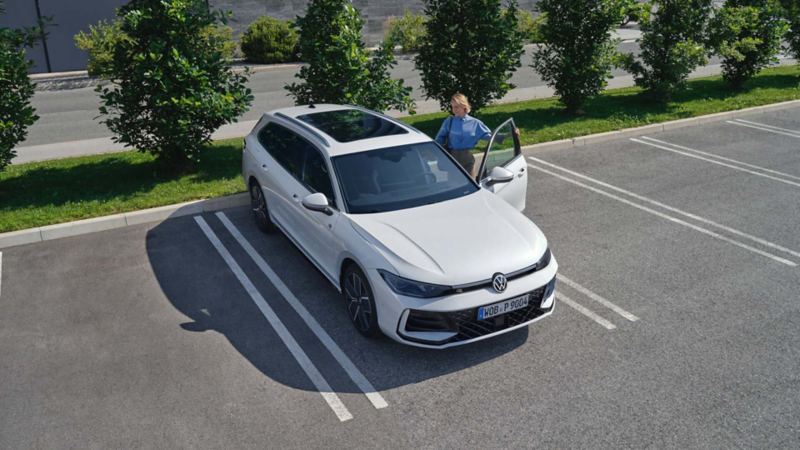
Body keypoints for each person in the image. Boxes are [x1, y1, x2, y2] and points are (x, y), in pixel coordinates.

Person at [434, 93, 519, 178]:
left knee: (470, 189)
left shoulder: (475, 123)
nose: (454, 110)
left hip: (467, 161)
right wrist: (435, 153)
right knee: (453, 186)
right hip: (452, 161)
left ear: (464, 106)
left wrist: (510, 134)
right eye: (453, 107)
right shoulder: (449, 121)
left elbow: (491, 137)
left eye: (456, 107)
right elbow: (439, 140)